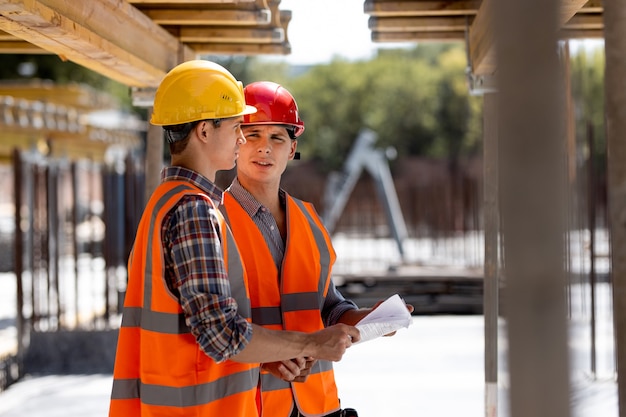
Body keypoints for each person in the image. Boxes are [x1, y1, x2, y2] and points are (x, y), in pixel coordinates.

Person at [108, 61, 360, 417]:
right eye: (239, 128)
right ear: (205, 131)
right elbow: (220, 334)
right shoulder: (196, 211)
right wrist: (311, 343)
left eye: (275, 136)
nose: (244, 140)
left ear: (292, 146)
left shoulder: (166, 201)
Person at [221, 81, 414, 417]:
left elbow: (327, 305)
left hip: (317, 404)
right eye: (253, 135)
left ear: (292, 148)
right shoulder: (214, 220)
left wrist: (369, 318)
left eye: (277, 138)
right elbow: (212, 329)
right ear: (236, 141)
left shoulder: (309, 220)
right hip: (249, 405)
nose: (264, 148)